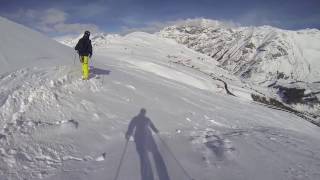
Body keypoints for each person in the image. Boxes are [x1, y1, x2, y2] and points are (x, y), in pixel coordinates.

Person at [126, 108, 170, 180]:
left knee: (144, 158)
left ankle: (148, 177)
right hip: (148, 139)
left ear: (140, 112)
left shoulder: (136, 118)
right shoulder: (147, 119)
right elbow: (153, 127)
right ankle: (163, 176)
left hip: (140, 139)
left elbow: (131, 126)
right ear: (144, 113)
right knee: (154, 155)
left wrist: (128, 134)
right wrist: (156, 131)